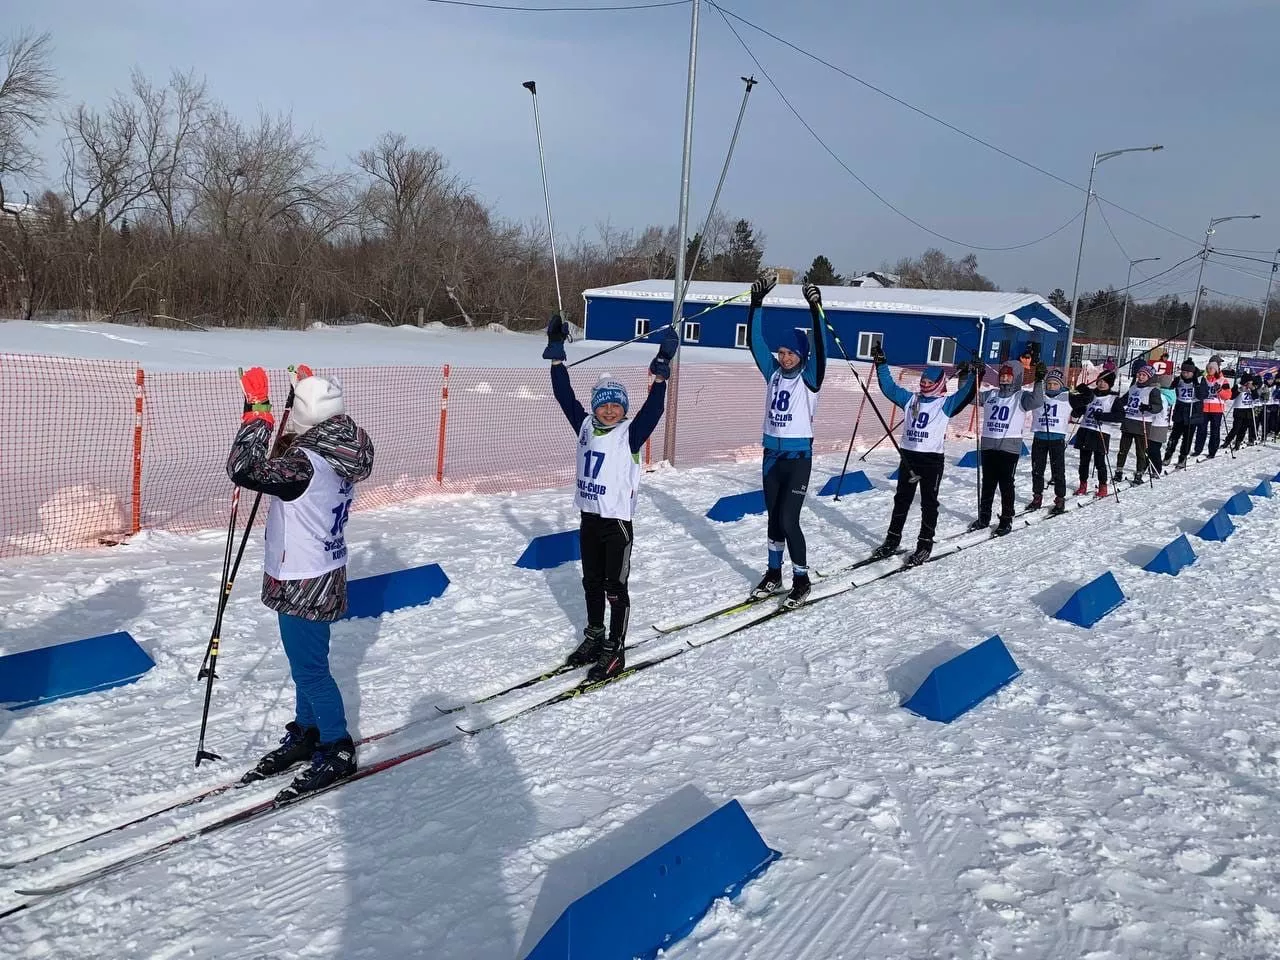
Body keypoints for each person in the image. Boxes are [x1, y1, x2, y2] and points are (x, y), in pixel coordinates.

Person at [228, 365, 375, 802]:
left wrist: (258, 415)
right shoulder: (338, 447)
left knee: (310, 670)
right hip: (319, 567)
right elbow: (283, 461)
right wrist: (299, 398)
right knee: (305, 665)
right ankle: (308, 732)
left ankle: (336, 745)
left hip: (304, 576)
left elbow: (245, 469)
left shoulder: (305, 464)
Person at [545, 314, 677, 682]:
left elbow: (654, 409)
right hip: (589, 519)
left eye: (615, 405)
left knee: (614, 587)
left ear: (624, 408)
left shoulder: (629, 436)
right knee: (590, 582)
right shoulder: (585, 425)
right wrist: (557, 357)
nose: (608, 410)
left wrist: (661, 372)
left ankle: (615, 649)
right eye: (603, 404)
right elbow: (563, 395)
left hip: (616, 523)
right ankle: (594, 637)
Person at [745, 276, 827, 608]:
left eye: (790, 352)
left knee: (790, 520)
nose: (784, 357)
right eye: (781, 352)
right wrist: (757, 303)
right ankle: (773, 573)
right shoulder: (773, 372)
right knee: (774, 519)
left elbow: (821, 345)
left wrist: (815, 308)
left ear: (801, 354)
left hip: (797, 458)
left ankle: (802, 579)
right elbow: (754, 341)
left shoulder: (810, 378)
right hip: (771, 457)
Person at [867, 353, 977, 566]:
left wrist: (975, 373)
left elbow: (966, 393)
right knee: (902, 499)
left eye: (929, 382)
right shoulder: (911, 399)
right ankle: (892, 540)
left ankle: (925, 544)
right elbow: (889, 388)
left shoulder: (946, 403)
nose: (925, 385)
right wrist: (881, 364)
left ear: (939, 384)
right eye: (923, 381)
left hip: (931, 460)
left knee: (928, 503)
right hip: (909, 457)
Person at [969, 360, 1044, 535]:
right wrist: (971, 376)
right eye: (1002, 375)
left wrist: (1039, 380)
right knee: (987, 484)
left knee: (1006, 485)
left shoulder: (1021, 396)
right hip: (988, 445)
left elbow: (1037, 401)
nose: (1004, 379)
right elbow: (971, 398)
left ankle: (1006, 519)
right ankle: (984, 517)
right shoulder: (991, 394)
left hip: (1009, 447)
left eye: (1008, 376)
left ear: (1016, 378)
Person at [1071, 370, 1124, 497]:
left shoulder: (1113, 399)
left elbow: (1120, 416)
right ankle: (1082, 484)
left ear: (1110, 384)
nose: (1101, 384)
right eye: (1099, 381)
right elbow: (1078, 403)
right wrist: (1077, 410)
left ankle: (1103, 486)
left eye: (1105, 382)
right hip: (1085, 430)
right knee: (1084, 461)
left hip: (1101, 433)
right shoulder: (1090, 395)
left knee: (1099, 461)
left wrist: (1103, 416)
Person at [1028, 366, 1070, 514]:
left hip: (1057, 438)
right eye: (1049, 384)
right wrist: (1038, 379)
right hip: (1039, 437)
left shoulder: (1067, 396)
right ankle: (1037, 496)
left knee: (1058, 470)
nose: (1051, 386)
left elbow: (1085, 398)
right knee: (1037, 469)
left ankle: (1060, 498)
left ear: (1061, 385)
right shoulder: (1040, 396)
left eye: (1055, 384)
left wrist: (1082, 389)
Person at [1114, 363, 1162, 484]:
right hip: (1128, 421)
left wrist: (1148, 407)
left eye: (1143, 375)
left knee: (1140, 451)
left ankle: (1139, 473)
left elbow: (1158, 407)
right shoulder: (1133, 387)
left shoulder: (1153, 390)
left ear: (1149, 377)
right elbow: (1123, 401)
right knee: (1123, 450)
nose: (1140, 377)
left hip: (1142, 423)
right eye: (1139, 374)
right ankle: (1118, 471)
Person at [1164, 359, 1206, 468]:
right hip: (1180, 409)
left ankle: (1182, 457)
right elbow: (1171, 390)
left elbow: (1202, 396)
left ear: (1192, 372)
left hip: (1193, 411)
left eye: (1188, 372)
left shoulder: (1200, 380)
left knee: (1187, 437)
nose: (1185, 374)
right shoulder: (1179, 379)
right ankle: (1168, 455)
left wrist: (1197, 385)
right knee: (1174, 436)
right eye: (1183, 372)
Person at [1193, 356, 1230, 458]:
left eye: (1212, 368)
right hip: (1204, 408)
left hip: (1217, 410)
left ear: (1217, 369)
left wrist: (1219, 391)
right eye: (1208, 368)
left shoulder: (1223, 380)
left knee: (1215, 431)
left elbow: (1228, 396)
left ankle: (1212, 451)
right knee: (1201, 430)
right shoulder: (1203, 379)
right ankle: (1198, 449)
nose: (1209, 370)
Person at [1147, 376, 1176, 476]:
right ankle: (1150, 467)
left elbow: (1159, 411)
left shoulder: (1161, 396)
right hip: (1160, 424)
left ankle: (1156, 469)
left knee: (1153, 449)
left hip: (1157, 425)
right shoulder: (1168, 395)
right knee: (1151, 448)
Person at [1226, 374, 1259, 450]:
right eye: (1249, 381)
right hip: (1239, 409)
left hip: (1248, 409)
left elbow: (1256, 397)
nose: (1250, 383)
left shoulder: (1251, 387)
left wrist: (1253, 390)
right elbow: (1231, 396)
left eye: (1251, 382)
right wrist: (1239, 390)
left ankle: (1238, 442)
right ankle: (1228, 440)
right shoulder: (1237, 386)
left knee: (1243, 428)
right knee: (1236, 427)